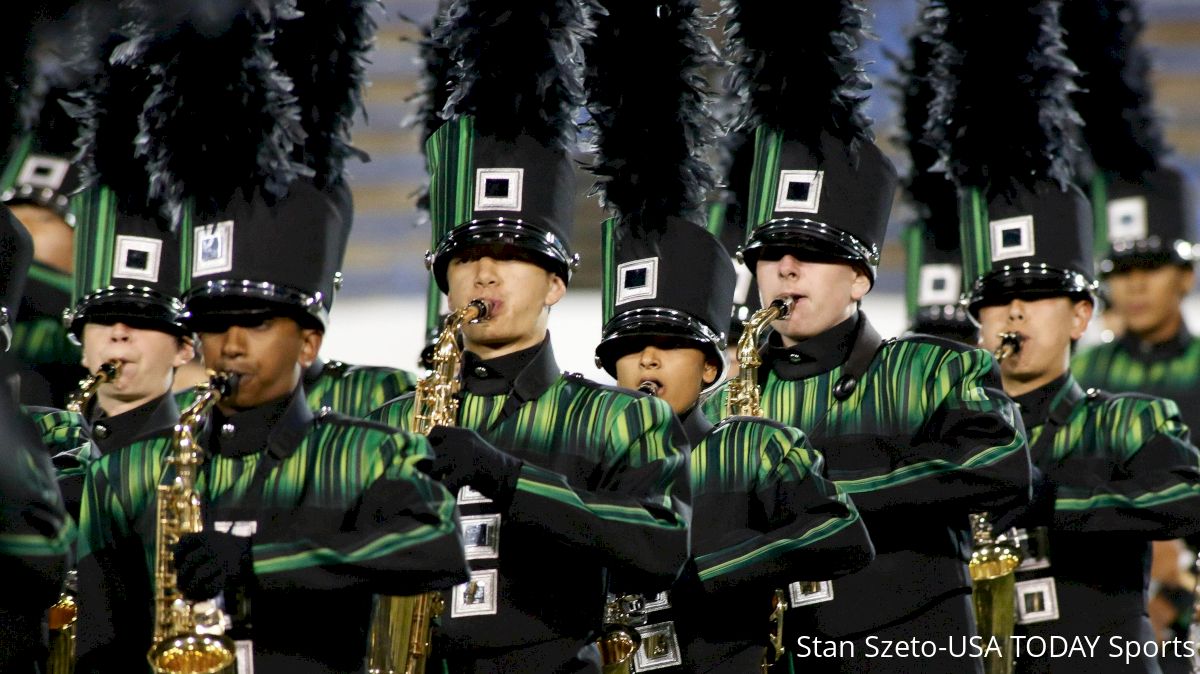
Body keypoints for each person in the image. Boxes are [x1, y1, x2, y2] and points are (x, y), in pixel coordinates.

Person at [73, 4, 469, 672]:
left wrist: (260, 561)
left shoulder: (370, 454)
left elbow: (436, 547)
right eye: (214, 323)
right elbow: (99, 645)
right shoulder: (127, 473)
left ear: (308, 342)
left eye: (256, 324)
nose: (231, 342)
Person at [700, 2, 1031, 671]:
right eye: (770, 253)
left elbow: (1004, 469)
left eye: (810, 253)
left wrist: (829, 492)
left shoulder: (936, 371)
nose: (785, 268)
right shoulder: (720, 407)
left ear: (859, 279)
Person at [370, 1, 690, 670]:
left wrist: (506, 476)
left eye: (511, 257)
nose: (484, 272)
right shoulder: (388, 424)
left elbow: (661, 546)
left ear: (554, 284)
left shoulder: (619, 418)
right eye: (466, 258)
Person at [929, 2, 1200, 671]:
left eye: (1035, 299)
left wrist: (1046, 498)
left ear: (1080, 315)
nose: (1012, 314)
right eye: (996, 301)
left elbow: (1186, 496)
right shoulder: (943, 434)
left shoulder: (1128, 423)